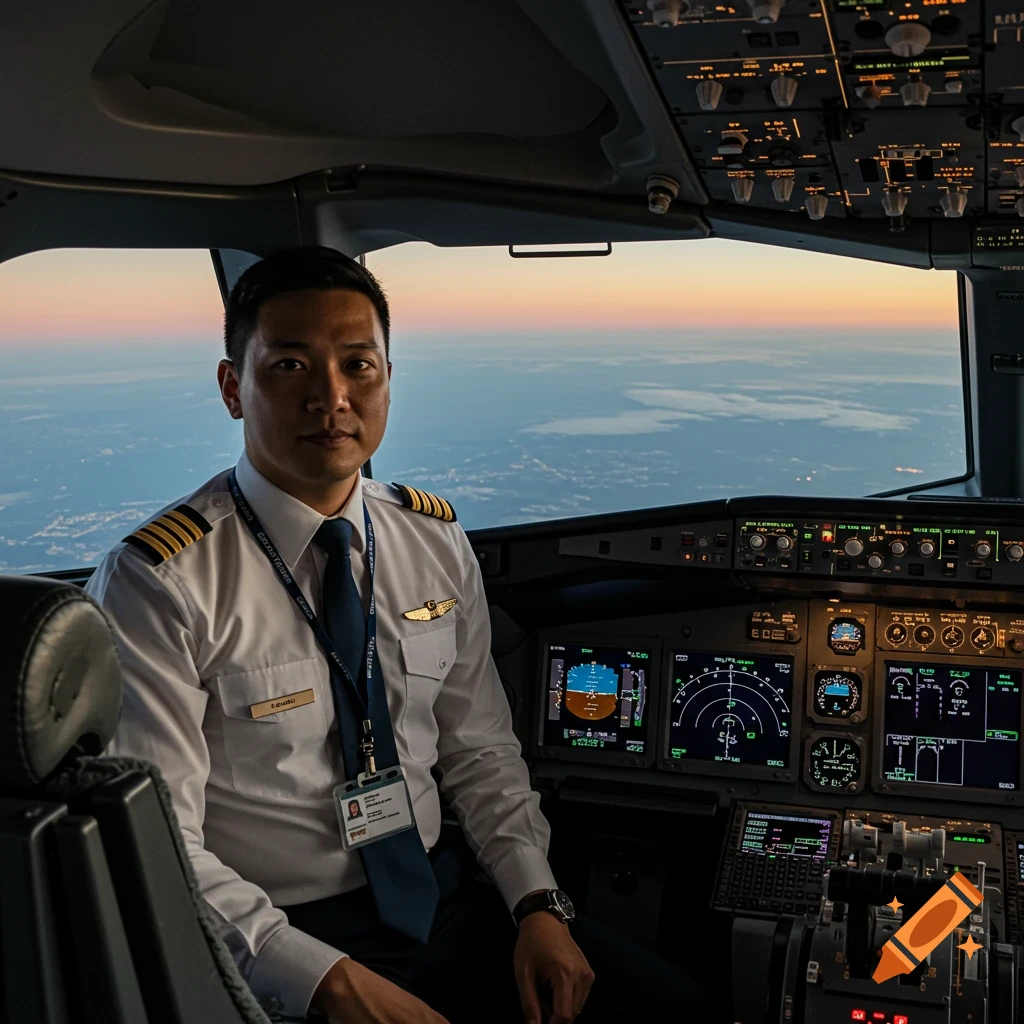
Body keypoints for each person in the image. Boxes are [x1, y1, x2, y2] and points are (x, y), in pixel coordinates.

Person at [86, 247, 718, 1024]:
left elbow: (480, 749)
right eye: (290, 366)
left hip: (440, 900)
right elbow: (159, 844)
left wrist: (536, 902)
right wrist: (326, 981)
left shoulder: (432, 540)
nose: (331, 397)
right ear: (232, 388)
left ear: (387, 379)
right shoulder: (159, 582)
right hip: (282, 934)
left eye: (358, 366)